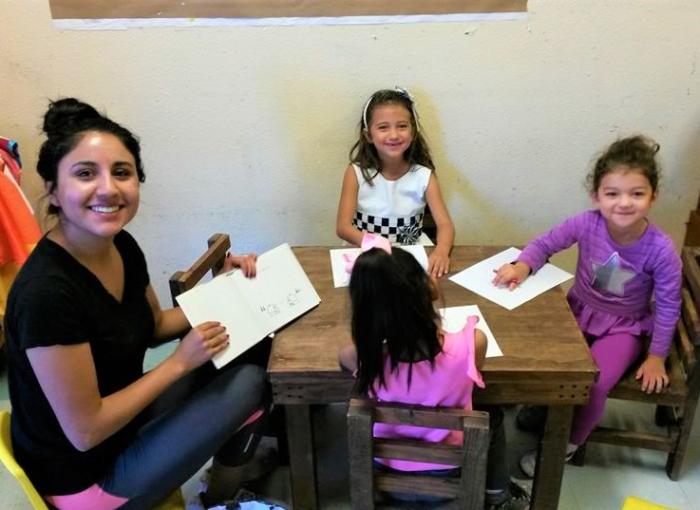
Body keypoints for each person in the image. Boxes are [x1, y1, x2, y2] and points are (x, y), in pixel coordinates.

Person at [5, 98, 273, 510]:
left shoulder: (121, 245)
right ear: (54, 192)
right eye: (84, 173)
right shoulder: (46, 294)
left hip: (124, 426)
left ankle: (222, 484)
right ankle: (222, 489)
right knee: (250, 383)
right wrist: (180, 363)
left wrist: (226, 287)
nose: (109, 188)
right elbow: (86, 431)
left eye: (122, 172)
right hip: (83, 479)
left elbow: (154, 327)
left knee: (250, 353)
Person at [492, 135, 682, 477]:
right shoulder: (586, 222)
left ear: (653, 196)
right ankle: (543, 407)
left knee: (593, 385)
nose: (624, 203)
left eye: (636, 193)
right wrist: (524, 264)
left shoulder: (662, 249)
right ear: (596, 196)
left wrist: (656, 355)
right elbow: (546, 242)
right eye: (612, 193)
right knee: (542, 355)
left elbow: (669, 305)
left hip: (625, 328)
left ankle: (565, 447)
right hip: (578, 311)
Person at [338, 233, 530, 510]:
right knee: (494, 415)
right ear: (428, 289)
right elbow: (472, 382)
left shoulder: (362, 357)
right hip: (449, 469)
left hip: (385, 469)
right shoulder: (471, 343)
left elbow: (347, 357)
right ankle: (498, 495)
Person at [336, 87, 455, 278]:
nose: (394, 135)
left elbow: (445, 225)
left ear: (413, 131)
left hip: (410, 253)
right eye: (383, 127)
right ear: (368, 135)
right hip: (365, 254)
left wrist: (441, 251)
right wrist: (372, 242)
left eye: (402, 126)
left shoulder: (424, 176)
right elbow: (342, 227)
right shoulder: (356, 172)